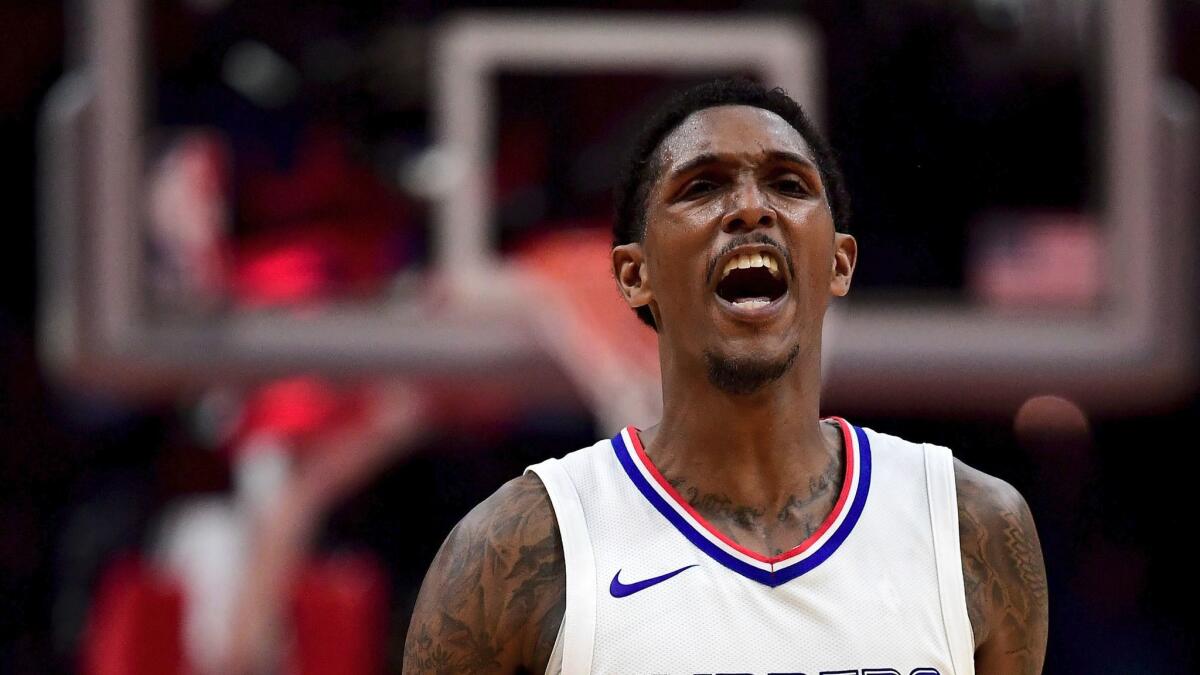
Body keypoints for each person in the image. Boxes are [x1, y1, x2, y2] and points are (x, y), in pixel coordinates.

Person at [402, 78, 1048, 675]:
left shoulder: (971, 526)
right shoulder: (517, 547)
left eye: (789, 185)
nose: (749, 207)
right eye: (702, 186)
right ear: (634, 274)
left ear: (840, 263)